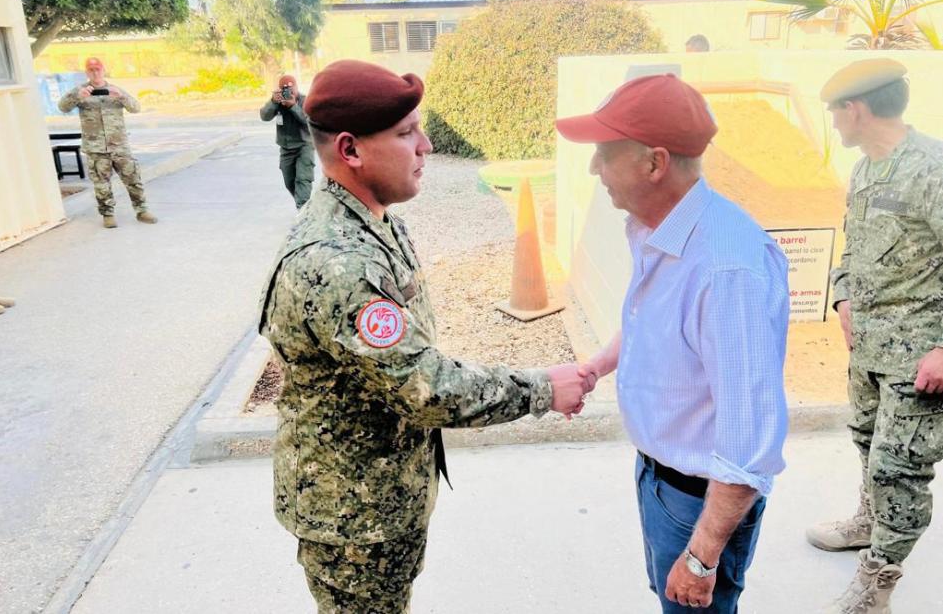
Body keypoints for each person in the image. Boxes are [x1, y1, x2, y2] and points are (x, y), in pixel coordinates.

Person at [258, 59, 590, 613]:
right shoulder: (338, 261)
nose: (427, 146)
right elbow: (428, 387)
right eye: (406, 133)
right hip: (353, 523)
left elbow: (410, 355)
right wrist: (542, 388)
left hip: (381, 498)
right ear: (351, 150)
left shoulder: (376, 219)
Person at [555, 73, 790, 613]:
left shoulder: (727, 269)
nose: (594, 168)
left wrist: (703, 558)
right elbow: (650, 323)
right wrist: (596, 366)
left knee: (692, 603)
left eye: (604, 154)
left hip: (699, 499)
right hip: (662, 480)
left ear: (655, 163)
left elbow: (750, 441)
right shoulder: (656, 228)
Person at [805, 59, 943, 614]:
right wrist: (841, 295)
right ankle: (870, 522)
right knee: (866, 441)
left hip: (921, 354)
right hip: (871, 347)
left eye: (836, 113)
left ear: (855, 110)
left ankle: (876, 584)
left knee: (898, 468)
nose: (834, 124)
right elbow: (854, 245)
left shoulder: (931, 168)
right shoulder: (866, 169)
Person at [57, 57, 156, 228]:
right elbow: (62, 107)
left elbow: (136, 107)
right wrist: (76, 98)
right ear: (87, 72)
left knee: (133, 179)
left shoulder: (115, 90)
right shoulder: (80, 91)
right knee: (101, 184)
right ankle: (108, 215)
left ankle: (142, 210)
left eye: (98, 69)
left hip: (119, 146)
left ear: (103, 70)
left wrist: (122, 96)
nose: (95, 72)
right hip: (96, 148)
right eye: (91, 70)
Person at [259, 74, 315, 208]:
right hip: (286, 147)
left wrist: (293, 106)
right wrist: (273, 102)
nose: (289, 92)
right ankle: (305, 206)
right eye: (284, 89)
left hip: (304, 146)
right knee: (289, 182)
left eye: (291, 88)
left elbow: (310, 122)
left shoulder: (305, 100)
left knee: (303, 180)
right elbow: (264, 116)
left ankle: (303, 211)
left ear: (296, 87)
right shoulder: (277, 101)